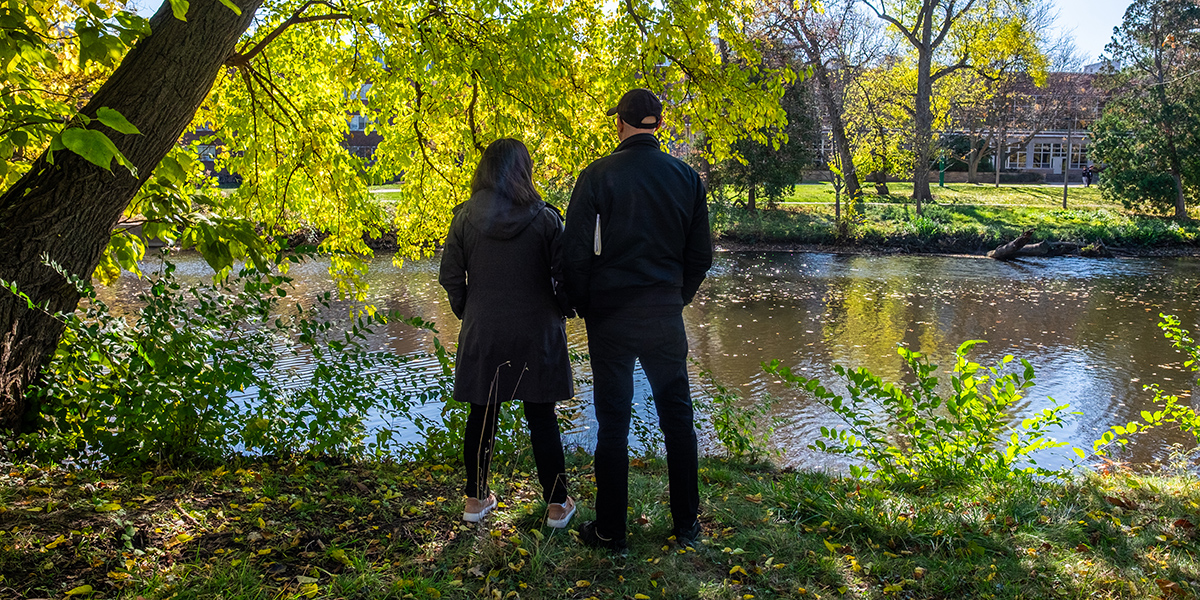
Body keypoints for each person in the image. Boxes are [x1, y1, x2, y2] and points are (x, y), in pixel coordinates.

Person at [562, 89, 713, 553]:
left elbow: (575, 254)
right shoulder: (686, 177)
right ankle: (686, 524)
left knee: (613, 422)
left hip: (611, 316)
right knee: (677, 417)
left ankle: (611, 531)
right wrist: (677, 297)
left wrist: (583, 303)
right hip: (664, 311)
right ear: (657, 126)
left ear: (620, 124)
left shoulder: (597, 175)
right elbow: (700, 256)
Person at [439, 138, 576, 528]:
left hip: (485, 331)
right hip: (537, 332)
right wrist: (565, 309)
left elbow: (450, 275)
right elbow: (566, 277)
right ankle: (556, 505)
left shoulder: (464, 217)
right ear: (524, 171)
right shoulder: (546, 218)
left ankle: (475, 500)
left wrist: (471, 311)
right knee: (542, 417)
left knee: (481, 414)